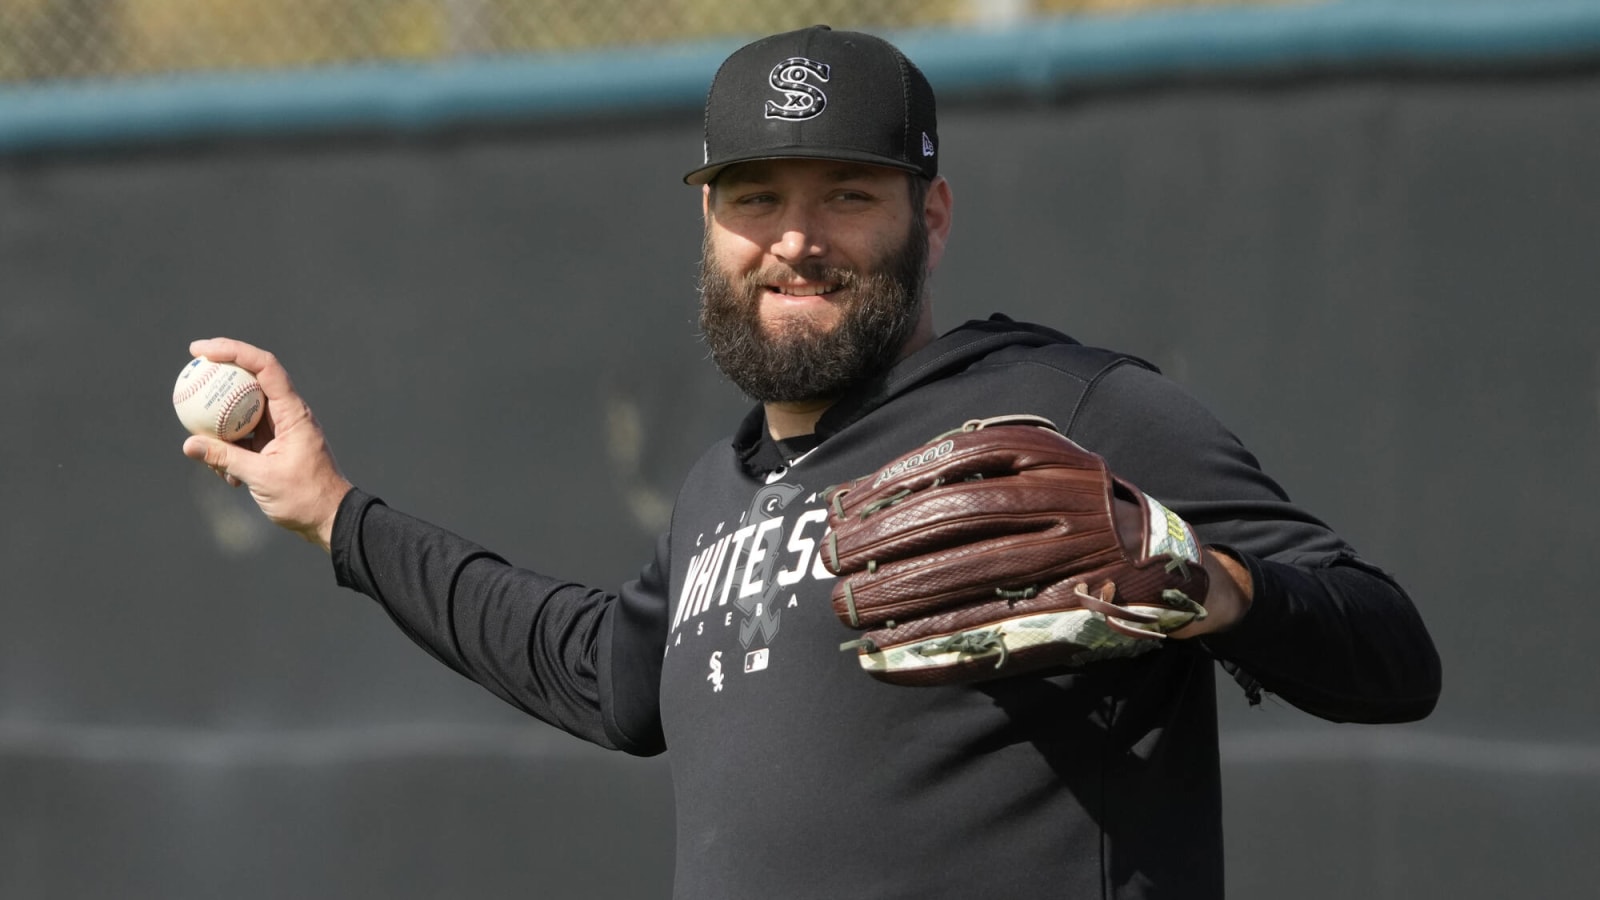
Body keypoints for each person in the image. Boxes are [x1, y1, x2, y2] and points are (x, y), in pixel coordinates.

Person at [181, 25, 1440, 900]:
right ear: (711, 220)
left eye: (848, 195)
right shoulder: (717, 491)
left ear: (927, 217)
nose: (794, 238)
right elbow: (599, 672)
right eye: (755, 198)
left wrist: (1204, 580)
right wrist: (336, 514)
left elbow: (1391, 652)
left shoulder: (1066, 405)